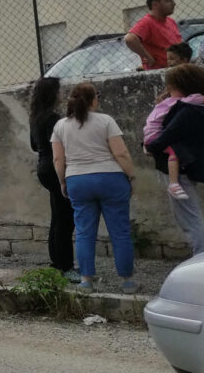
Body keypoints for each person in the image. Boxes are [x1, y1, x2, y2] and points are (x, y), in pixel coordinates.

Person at [51, 83, 137, 294]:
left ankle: (86, 280)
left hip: (78, 181)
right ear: (93, 101)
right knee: (120, 232)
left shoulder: (61, 126)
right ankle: (127, 282)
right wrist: (132, 176)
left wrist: (63, 181)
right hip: (111, 178)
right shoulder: (106, 121)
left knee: (83, 232)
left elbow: (58, 158)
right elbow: (121, 153)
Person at [143, 64, 204, 256]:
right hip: (190, 165)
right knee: (189, 215)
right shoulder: (202, 105)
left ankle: (201, 258)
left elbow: (166, 137)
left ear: (179, 86)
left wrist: (149, 146)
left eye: (170, 85)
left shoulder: (187, 110)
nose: (167, 90)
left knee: (189, 218)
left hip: (178, 168)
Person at [28, 77, 79, 282]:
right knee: (66, 220)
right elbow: (63, 146)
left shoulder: (36, 117)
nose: (62, 94)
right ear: (52, 94)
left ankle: (57, 263)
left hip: (43, 167)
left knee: (58, 217)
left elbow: (34, 145)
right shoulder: (55, 119)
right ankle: (66, 266)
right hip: (56, 168)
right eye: (59, 91)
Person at [144, 65, 204, 201]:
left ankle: (173, 183)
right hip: (156, 137)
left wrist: (150, 148)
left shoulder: (177, 106)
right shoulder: (182, 104)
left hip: (154, 138)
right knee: (173, 152)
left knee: (189, 215)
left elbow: (169, 133)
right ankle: (173, 184)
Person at [124, 0, 180, 70]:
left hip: (177, 71)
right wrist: (147, 57)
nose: (174, 4)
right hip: (160, 73)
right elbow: (130, 39)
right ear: (155, 5)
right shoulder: (147, 22)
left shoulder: (171, 22)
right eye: (168, 1)